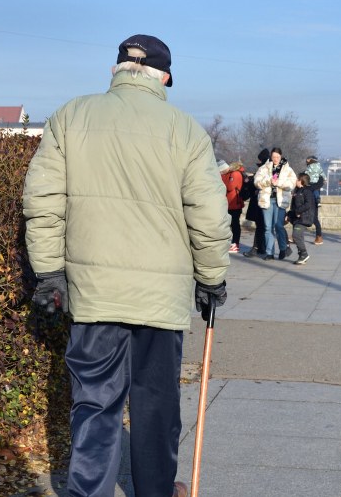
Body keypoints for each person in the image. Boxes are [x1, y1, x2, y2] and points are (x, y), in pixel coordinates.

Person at [22, 34, 229, 497]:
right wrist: (212, 278)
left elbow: (42, 202)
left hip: (94, 293)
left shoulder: (71, 117)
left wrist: (50, 273)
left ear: (116, 69)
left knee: (94, 404)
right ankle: (156, 490)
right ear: (166, 77)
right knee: (156, 405)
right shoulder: (186, 131)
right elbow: (210, 217)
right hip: (160, 298)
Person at [254, 147, 299, 260]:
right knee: (268, 227)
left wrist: (279, 183)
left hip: (281, 201)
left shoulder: (287, 169)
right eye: (273, 157)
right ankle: (269, 252)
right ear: (271, 156)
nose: (275, 159)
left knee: (278, 225)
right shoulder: (264, 168)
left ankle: (283, 248)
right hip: (267, 200)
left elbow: (292, 183)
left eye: (277, 157)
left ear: (281, 156)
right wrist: (268, 182)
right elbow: (257, 182)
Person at [241, 149, 268, 258]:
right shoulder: (266, 169)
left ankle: (257, 248)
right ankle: (261, 248)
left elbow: (257, 183)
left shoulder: (265, 170)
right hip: (261, 200)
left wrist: (251, 181)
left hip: (261, 201)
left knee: (261, 226)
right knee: (262, 226)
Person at [287, 173, 316, 265]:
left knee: (296, 235)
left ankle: (304, 254)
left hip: (304, 218)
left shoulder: (307, 191)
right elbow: (294, 206)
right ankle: (301, 255)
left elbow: (308, 205)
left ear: (301, 181)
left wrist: (298, 212)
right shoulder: (298, 191)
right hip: (297, 218)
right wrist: (290, 214)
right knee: (299, 237)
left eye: (297, 179)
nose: (296, 181)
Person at [220, 160, 245, 253]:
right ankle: (232, 243)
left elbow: (230, 187)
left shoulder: (235, 174)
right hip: (229, 203)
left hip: (235, 203)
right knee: (229, 224)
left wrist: (222, 179)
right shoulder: (230, 174)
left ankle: (235, 244)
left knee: (235, 224)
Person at [304, 156, 326, 244]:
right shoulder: (319, 169)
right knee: (314, 218)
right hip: (313, 195)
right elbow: (322, 176)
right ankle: (319, 236)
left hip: (309, 196)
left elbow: (306, 176)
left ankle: (318, 236)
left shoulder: (309, 168)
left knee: (312, 218)